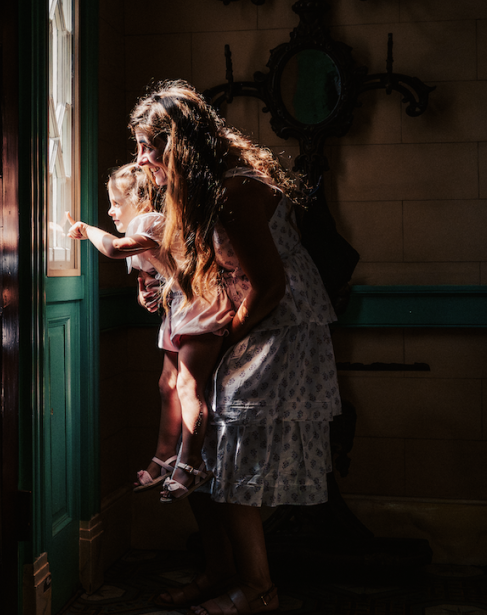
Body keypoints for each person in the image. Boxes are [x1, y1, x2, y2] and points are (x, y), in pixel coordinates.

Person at [130, 80, 341, 614]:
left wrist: (223, 343)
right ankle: (221, 570)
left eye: (149, 146)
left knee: (229, 444)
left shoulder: (234, 188)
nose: (142, 159)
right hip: (237, 315)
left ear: (178, 145)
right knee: (198, 442)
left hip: (275, 324)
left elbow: (270, 286)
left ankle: (258, 589)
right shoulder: (199, 188)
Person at [67, 162, 234, 502]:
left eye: (116, 202)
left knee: (188, 386)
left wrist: (87, 230)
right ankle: (165, 456)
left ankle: (191, 462)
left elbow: (115, 248)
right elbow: (148, 279)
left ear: (141, 199)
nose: (111, 211)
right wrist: (145, 293)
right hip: (178, 309)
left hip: (200, 305)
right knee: (166, 385)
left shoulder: (153, 222)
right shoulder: (141, 229)